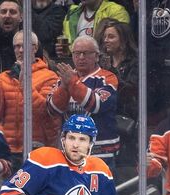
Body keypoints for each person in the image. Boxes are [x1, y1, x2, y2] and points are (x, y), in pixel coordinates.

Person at [0, 30, 61, 165]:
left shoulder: (49, 76)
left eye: (24, 45)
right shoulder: (3, 77)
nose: (20, 50)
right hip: (8, 148)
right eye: (16, 46)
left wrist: (24, 84)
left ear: (35, 48)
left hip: (36, 147)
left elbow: (44, 111)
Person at [48, 35, 120, 169]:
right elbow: (52, 110)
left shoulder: (107, 78)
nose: (81, 57)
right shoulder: (64, 79)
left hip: (101, 151)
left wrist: (72, 83)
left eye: (86, 53)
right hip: (71, 153)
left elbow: (96, 104)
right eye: (77, 53)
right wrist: (64, 87)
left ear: (97, 56)